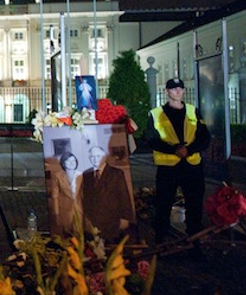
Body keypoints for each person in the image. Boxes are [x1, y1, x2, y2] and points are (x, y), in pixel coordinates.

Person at [145, 77, 210, 244]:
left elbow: (204, 137)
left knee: (194, 206)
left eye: (180, 88)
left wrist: (188, 150)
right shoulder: (156, 114)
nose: (178, 91)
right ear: (167, 91)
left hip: (192, 166)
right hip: (168, 168)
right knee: (163, 205)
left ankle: (194, 243)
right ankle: (161, 242)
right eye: (174, 89)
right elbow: (151, 139)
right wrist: (174, 150)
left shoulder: (193, 111)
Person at [81, 146, 135, 242]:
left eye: (98, 156)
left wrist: (125, 217)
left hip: (111, 218)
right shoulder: (86, 174)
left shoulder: (116, 173)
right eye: (92, 157)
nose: (95, 159)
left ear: (105, 157)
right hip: (93, 220)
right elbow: (86, 197)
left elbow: (124, 195)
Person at [48, 152, 84, 234]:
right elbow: (55, 196)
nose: (72, 163)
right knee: (66, 234)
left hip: (79, 209)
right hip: (64, 210)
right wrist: (56, 214)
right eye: (68, 161)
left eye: (74, 161)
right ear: (63, 163)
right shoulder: (57, 176)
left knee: (79, 234)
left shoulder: (81, 175)